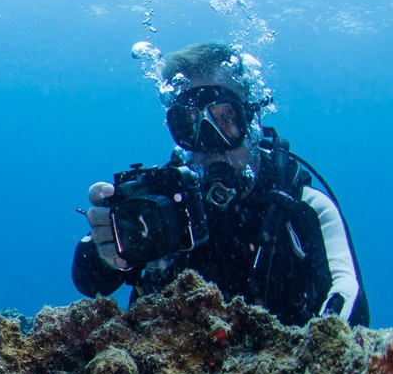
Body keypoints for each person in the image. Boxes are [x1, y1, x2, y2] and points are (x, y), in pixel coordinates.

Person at [72, 41, 369, 327]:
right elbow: (88, 281)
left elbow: (350, 304)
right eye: (190, 125)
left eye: (225, 119)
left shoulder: (302, 207)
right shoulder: (158, 205)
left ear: (251, 121)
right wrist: (108, 250)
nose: (210, 144)